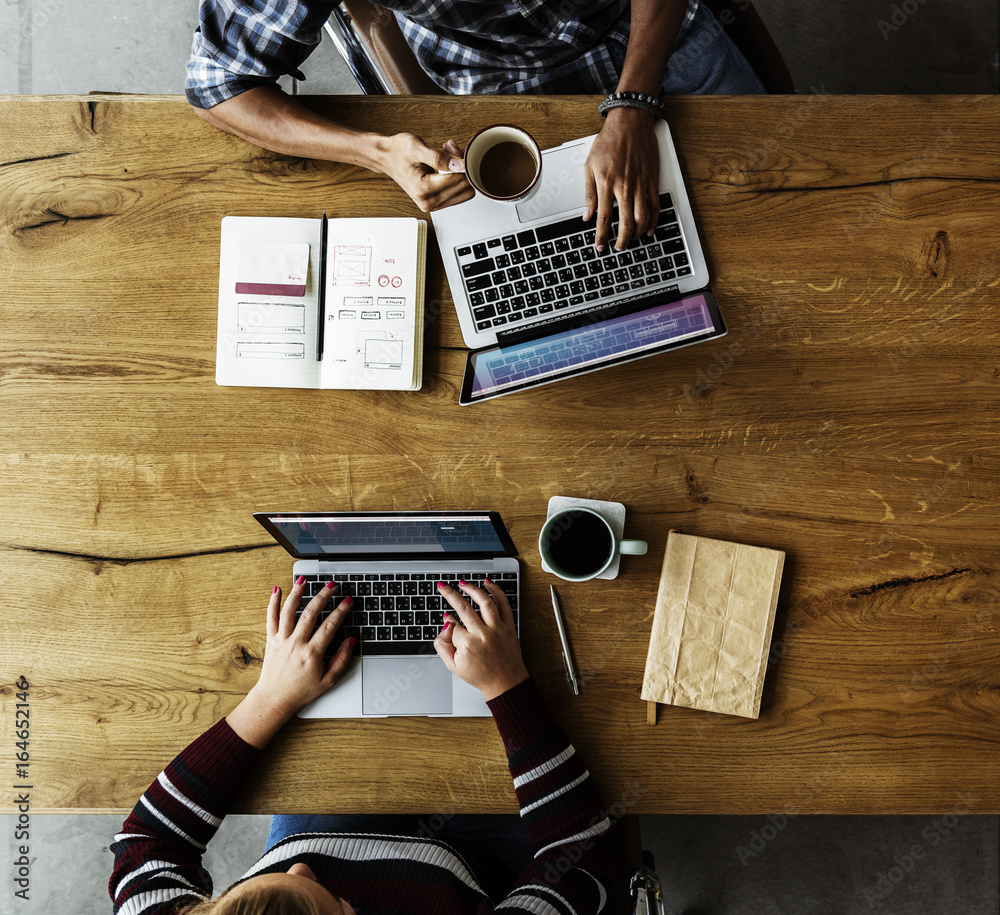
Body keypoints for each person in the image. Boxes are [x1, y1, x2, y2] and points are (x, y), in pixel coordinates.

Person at [109, 576, 619, 914]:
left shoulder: (295, 866)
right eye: (331, 899)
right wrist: (507, 685)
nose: (301, 867)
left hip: (328, 819)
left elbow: (145, 844)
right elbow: (579, 850)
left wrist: (270, 696)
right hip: (482, 865)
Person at [185, 0, 764, 251]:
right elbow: (218, 84)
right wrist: (378, 152)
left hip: (654, 32)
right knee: (572, 267)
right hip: (502, 79)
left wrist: (634, 101)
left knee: (769, 203)